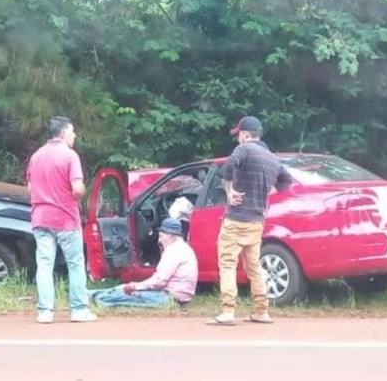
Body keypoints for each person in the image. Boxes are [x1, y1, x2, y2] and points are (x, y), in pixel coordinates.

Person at [208, 116, 293, 326]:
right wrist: (267, 192)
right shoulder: (271, 158)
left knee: (227, 263)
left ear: (246, 135)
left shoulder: (244, 149)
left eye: (239, 134)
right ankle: (262, 311)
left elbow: (228, 166)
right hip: (256, 221)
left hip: (236, 218)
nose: (238, 138)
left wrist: (229, 191)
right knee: (254, 266)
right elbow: (286, 180)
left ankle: (228, 311)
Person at [26, 116, 97, 324]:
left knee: (44, 264)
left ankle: (45, 312)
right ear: (64, 132)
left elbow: (31, 189)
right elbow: (76, 188)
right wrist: (80, 193)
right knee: (75, 263)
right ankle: (79, 309)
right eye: (72, 131)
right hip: (65, 218)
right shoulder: (70, 156)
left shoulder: (36, 156)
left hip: (40, 218)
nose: (74, 135)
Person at [88, 218, 198, 309]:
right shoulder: (184, 248)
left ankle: (91, 297)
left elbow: (159, 281)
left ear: (171, 236)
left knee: (121, 294)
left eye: (162, 236)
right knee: (122, 288)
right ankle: (88, 294)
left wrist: (136, 286)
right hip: (178, 297)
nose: (159, 240)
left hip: (170, 298)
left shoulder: (173, 251)